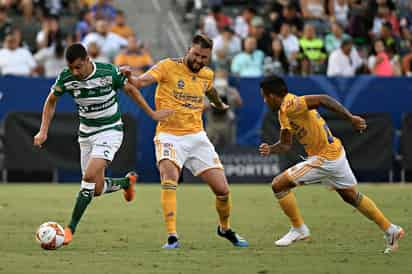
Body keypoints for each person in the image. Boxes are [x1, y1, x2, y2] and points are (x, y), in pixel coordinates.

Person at [33, 43, 173, 246]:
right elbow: (51, 100)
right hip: (86, 134)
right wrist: (43, 130)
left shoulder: (108, 72)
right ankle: (126, 183)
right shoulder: (67, 78)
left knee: (88, 176)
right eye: (72, 67)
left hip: (110, 131)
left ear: (88, 60)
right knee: (95, 189)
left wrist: (152, 113)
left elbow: (131, 90)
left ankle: (70, 228)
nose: (75, 72)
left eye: (79, 67)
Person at [122, 34, 248, 249]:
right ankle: (172, 236)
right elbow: (140, 82)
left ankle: (224, 228)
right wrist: (130, 76)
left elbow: (211, 90)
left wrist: (219, 104)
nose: (199, 60)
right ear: (188, 49)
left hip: (196, 136)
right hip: (169, 135)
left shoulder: (207, 74)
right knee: (170, 178)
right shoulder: (167, 66)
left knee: (223, 191)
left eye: (204, 57)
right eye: (197, 55)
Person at [258, 75, 404, 254]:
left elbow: (323, 99)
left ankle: (299, 229)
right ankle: (391, 230)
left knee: (278, 185)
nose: (264, 101)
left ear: (272, 96)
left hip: (325, 158)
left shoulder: (291, 103)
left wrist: (350, 118)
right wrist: (271, 149)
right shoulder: (283, 112)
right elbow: (286, 144)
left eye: (265, 96)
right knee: (351, 196)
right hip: (335, 151)